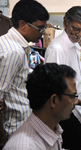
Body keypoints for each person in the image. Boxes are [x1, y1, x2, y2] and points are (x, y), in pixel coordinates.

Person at [2, 63, 81, 150]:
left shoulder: (52, 128)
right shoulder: (25, 146)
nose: (75, 101)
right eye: (72, 96)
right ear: (54, 100)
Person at [45, 6, 81, 149]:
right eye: (75, 29)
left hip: (78, 109)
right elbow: (56, 90)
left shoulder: (75, 46)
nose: (79, 34)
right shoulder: (57, 49)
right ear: (65, 22)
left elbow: (76, 80)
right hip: (66, 113)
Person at [0, 0, 49, 139]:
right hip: (14, 127)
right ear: (22, 24)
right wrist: (2, 138)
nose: (43, 33)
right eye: (40, 28)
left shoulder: (10, 44)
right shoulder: (14, 51)